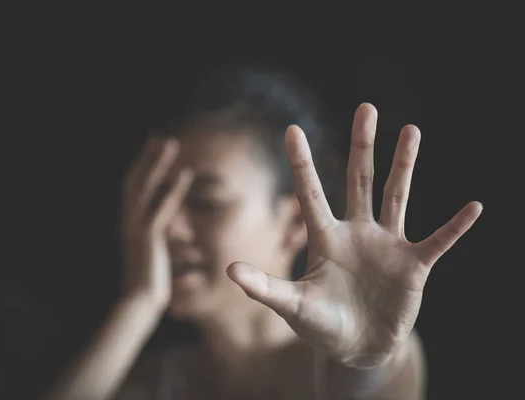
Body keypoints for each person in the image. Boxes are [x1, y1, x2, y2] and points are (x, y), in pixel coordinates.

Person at [45, 64, 483, 400]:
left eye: (205, 203)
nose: (168, 227)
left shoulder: (348, 362)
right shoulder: (158, 380)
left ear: (294, 223)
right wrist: (138, 300)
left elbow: (376, 376)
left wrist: (365, 362)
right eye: (157, 200)